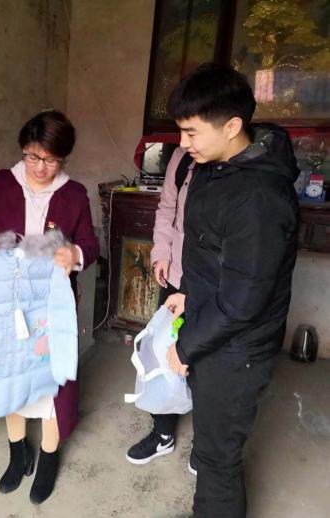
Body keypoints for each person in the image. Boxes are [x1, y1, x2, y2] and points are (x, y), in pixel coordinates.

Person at [163, 63, 299, 518]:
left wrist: (186, 346)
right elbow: (209, 249)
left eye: (191, 132)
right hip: (215, 327)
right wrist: (186, 290)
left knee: (218, 459)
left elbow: (243, 302)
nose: (183, 143)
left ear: (232, 126)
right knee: (210, 443)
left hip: (237, 347)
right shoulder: (215, 166)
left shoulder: (259, 197)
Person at [0, 109, 100, 504]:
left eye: (50, 160)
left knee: (51, 384)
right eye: (32, 156)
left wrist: (75, 255)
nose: (39, 167)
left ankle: (49, 456)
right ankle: (17, 453)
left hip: (51, 305)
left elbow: (90, 245)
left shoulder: (74, 194)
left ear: (63, 158)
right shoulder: (4, 183)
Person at [126, 147, 197, 471]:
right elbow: (167, 209)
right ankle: (163, 433)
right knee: (162, 353)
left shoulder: (235, 166)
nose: (184, 140)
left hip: (214, 286)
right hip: (176, 277)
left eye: (191, 131)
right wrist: (161, 254)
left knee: (207, 361)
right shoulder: (182, 159)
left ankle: (206, 445)